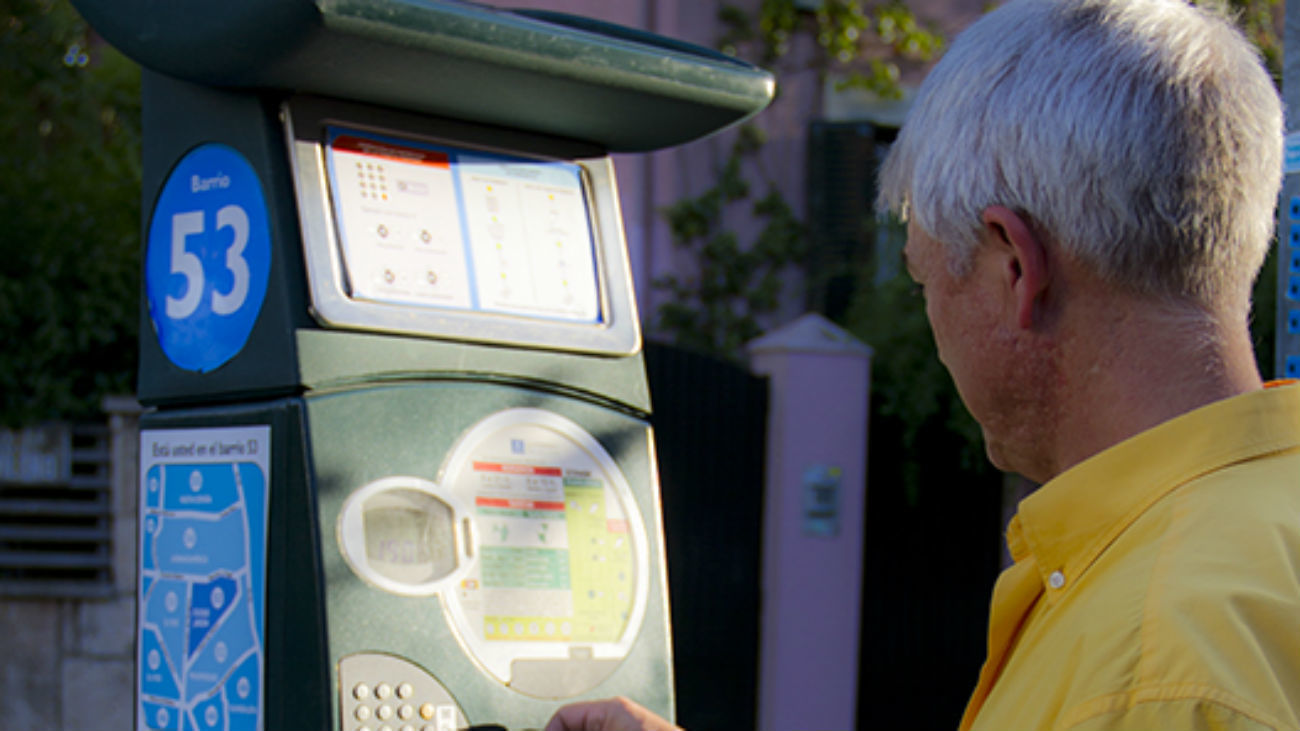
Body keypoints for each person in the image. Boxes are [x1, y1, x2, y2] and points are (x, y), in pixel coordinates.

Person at [546, 0, 1300, 728]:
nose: (933, 321)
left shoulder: (1150, 674)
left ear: (1015, 268)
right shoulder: (1255, 524)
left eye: (924, 278)